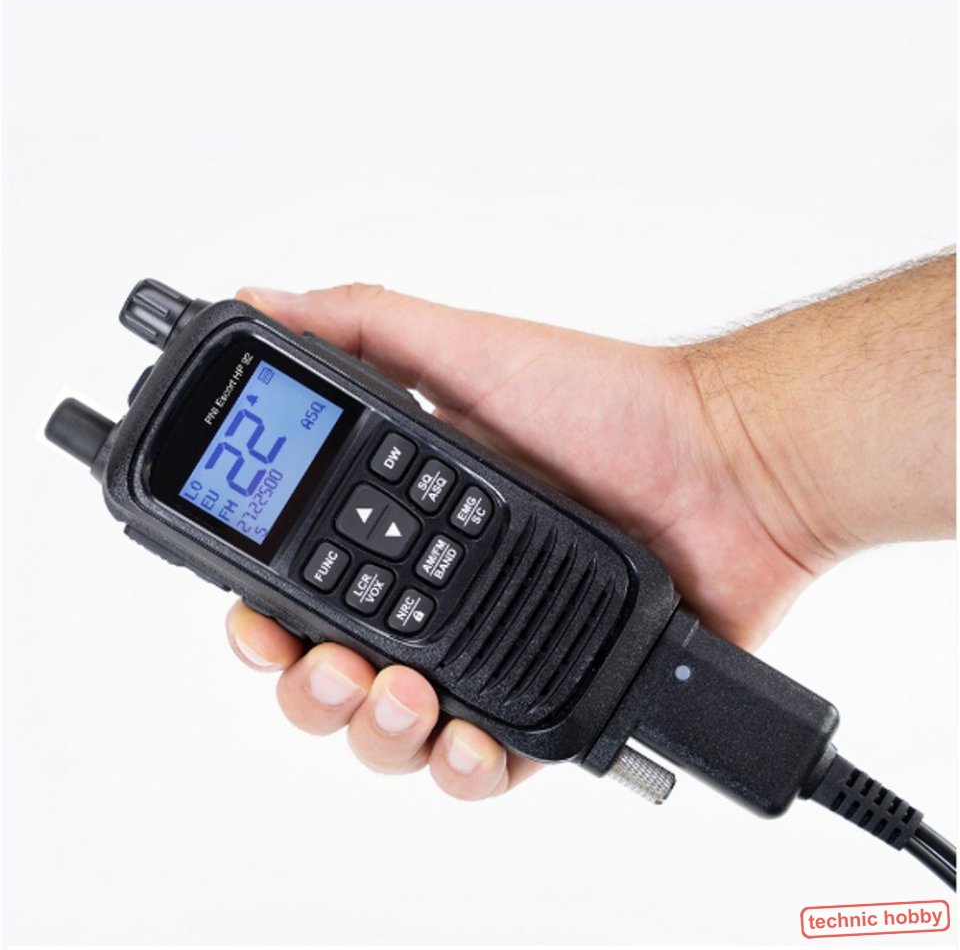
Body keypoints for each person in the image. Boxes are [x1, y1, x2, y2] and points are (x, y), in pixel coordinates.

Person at [225, 252, 956, 800]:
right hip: (544, 653)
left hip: (592, 590)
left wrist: (736, 451)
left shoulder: (242, 345)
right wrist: (742, 461)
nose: (376, 522)